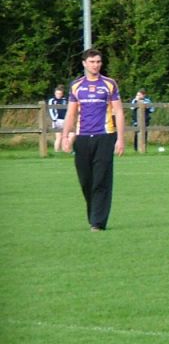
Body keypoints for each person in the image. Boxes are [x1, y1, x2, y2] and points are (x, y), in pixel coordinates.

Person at [62, 48, 126, 231]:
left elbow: (119, 112)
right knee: (86, 181)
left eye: (98, 62)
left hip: (105, 136)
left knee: (101, 180)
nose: (95, 65)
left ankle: (97, 222)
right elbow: (71, 113)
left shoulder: (109, 84)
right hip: (82, 138)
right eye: (92, 62)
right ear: (84, 63)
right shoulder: (76, 86)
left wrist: (120, 139)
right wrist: (66, 136)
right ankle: (94, 216)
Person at [47, 85, 68, 153]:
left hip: (65, 120)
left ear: (62, 94)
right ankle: (56, 151)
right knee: (58, 137)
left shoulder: (65, 100)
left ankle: (64, 151)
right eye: (57, 93)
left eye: (60, 93)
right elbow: (51, 110)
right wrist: (54, 119)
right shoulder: (52, 101)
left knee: (65, 136)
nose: (58, 95)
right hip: (57, 120)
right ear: (55, 93)